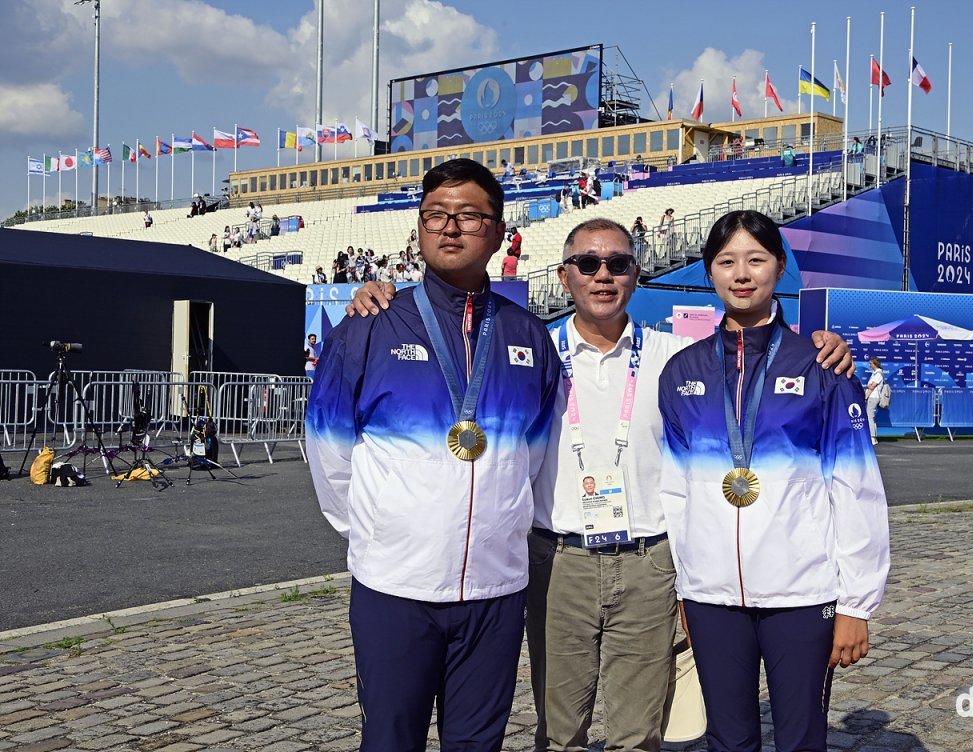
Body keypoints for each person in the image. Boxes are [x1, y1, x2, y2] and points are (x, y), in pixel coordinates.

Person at [346, 217, 858, 752]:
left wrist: (824, 347)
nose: (602, 275)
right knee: (561, 734)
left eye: (617, 263)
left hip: (647, 564)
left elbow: (746, 361)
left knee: (638, 736)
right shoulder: (530, 349)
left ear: (636, 274)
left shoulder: (672, 359)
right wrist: (380, 294)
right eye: (587, 264)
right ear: (565, 276)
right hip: (558, 561)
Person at [306, 158, 561, 751]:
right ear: (418, 229)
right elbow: (329, 452)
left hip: (495, 590)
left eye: (469, 216)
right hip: (396, 586)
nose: (450, 228)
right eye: (435, 215)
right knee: (391, 740)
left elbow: (534, 458)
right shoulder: (371, 324)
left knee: (478, 743)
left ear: (497, 231)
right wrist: (377, 532)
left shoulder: (529, 336)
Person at [657, 210, 889, 752]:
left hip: (802, 594)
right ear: (709, 273)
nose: (742, 273)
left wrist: (856, 603)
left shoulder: (821, 366)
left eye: (756, 260)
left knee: (801, 736)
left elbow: (855, 488)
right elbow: (675, 490)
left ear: (778, 268)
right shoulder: (683, 371)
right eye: (726, 261)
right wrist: (686, 586)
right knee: (728, 737)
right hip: (711, 596)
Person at [864, 357, 885, 445]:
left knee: (870, 417)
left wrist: (866, 397)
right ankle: (873, 437)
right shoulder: (875, 373)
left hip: (873, 397)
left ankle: (872, 437)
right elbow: (871, 386)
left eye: (871, 363)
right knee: (871, 417)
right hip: (872, 397)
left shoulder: (878, 374)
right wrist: (869, 386)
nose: (869, 365)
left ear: (875, 364)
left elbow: (872, 387)